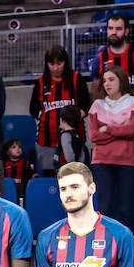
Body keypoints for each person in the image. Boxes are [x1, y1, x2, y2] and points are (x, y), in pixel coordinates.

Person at [88, 65, 134, 235]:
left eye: (111, 79)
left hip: (127, 161)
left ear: (122, 81)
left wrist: (107, 128)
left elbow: (131, 130)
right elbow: (94, 136)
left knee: (126, 208)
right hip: (102, 162)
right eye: (104, 80)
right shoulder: (97, 105)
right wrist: (120, 128)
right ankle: (106, 246)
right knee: (104, 207)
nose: (107, 84)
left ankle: (125, 249)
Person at [30, 45, 89, 175]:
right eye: (51, 63)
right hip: (46, 142)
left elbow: (86, 106)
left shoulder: (76, 79)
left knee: (76, 177)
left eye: (59, 63)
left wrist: (72, 120)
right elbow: (33, 109)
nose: (55, 67)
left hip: (74, 140)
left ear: (65, 62)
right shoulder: (40, 82)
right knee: (51, 181)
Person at [92, 12, 134, 101]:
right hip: (108, 112)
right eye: (110, 28)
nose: (114, 32)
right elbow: (95, 92)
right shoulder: (100, 58)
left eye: (118, 29)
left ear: (126, 31)